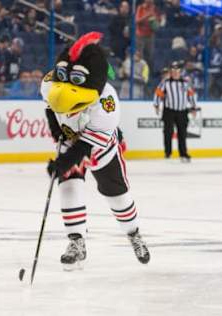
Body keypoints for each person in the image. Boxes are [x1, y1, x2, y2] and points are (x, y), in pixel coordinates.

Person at [40, 32, 150, 269]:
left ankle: (133, 233)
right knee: (69, 186)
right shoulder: (51, 82)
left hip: (102, 149)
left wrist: (63, 163)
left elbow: (87, 146)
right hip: (71, 142)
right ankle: (76, 242)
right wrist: (55, 131)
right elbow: (50, 107)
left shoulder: (107, 102)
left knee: (117, 196)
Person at [154, 61, 197, 162]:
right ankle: (168, 153)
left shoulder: (186, 82)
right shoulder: (166, 82)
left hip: (182, 111)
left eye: (177, 70)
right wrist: (156, 105)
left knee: (182, 133)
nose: (175, 72)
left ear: (180, 71)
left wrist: (194, 107)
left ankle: (183, 153)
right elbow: (158, 93)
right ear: (170, 71)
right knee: (168, 132)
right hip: (169, 110)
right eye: (173, 71)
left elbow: (191, 95)